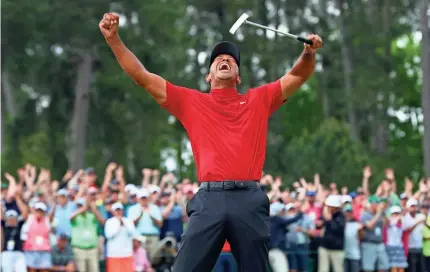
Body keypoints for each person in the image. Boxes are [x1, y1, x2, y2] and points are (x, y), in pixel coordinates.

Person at [99, 12, 322, 272]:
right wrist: (114, 39)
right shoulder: (191, 102)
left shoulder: (258, 99)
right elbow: (142, 76)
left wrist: (308, 53)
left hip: (249, 198)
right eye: (218, 59)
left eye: (230, 59)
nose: (225, 60)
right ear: (208, 76)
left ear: (238, 76)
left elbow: (297, 77)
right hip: (209, 200)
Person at [105, 202, 136, 272]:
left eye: (120, 210)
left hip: (127, 253)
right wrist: (118, 225)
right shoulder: (109, 222)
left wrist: (124, 224)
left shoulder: (128, 221)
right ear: (113, 211)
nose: (118, 212)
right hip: (114, 254)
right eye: (116, 210)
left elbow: (132, 233)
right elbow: (109, 235)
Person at [318, 195, 346, 272]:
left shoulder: (341, 216)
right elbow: (319, 225)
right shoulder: (326, 214)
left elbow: (339, 229)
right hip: (325, 246)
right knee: (323, 269)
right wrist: (319, 223)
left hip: (337, 248)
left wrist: (330, 220)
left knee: (338, 269)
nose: (327, 208)